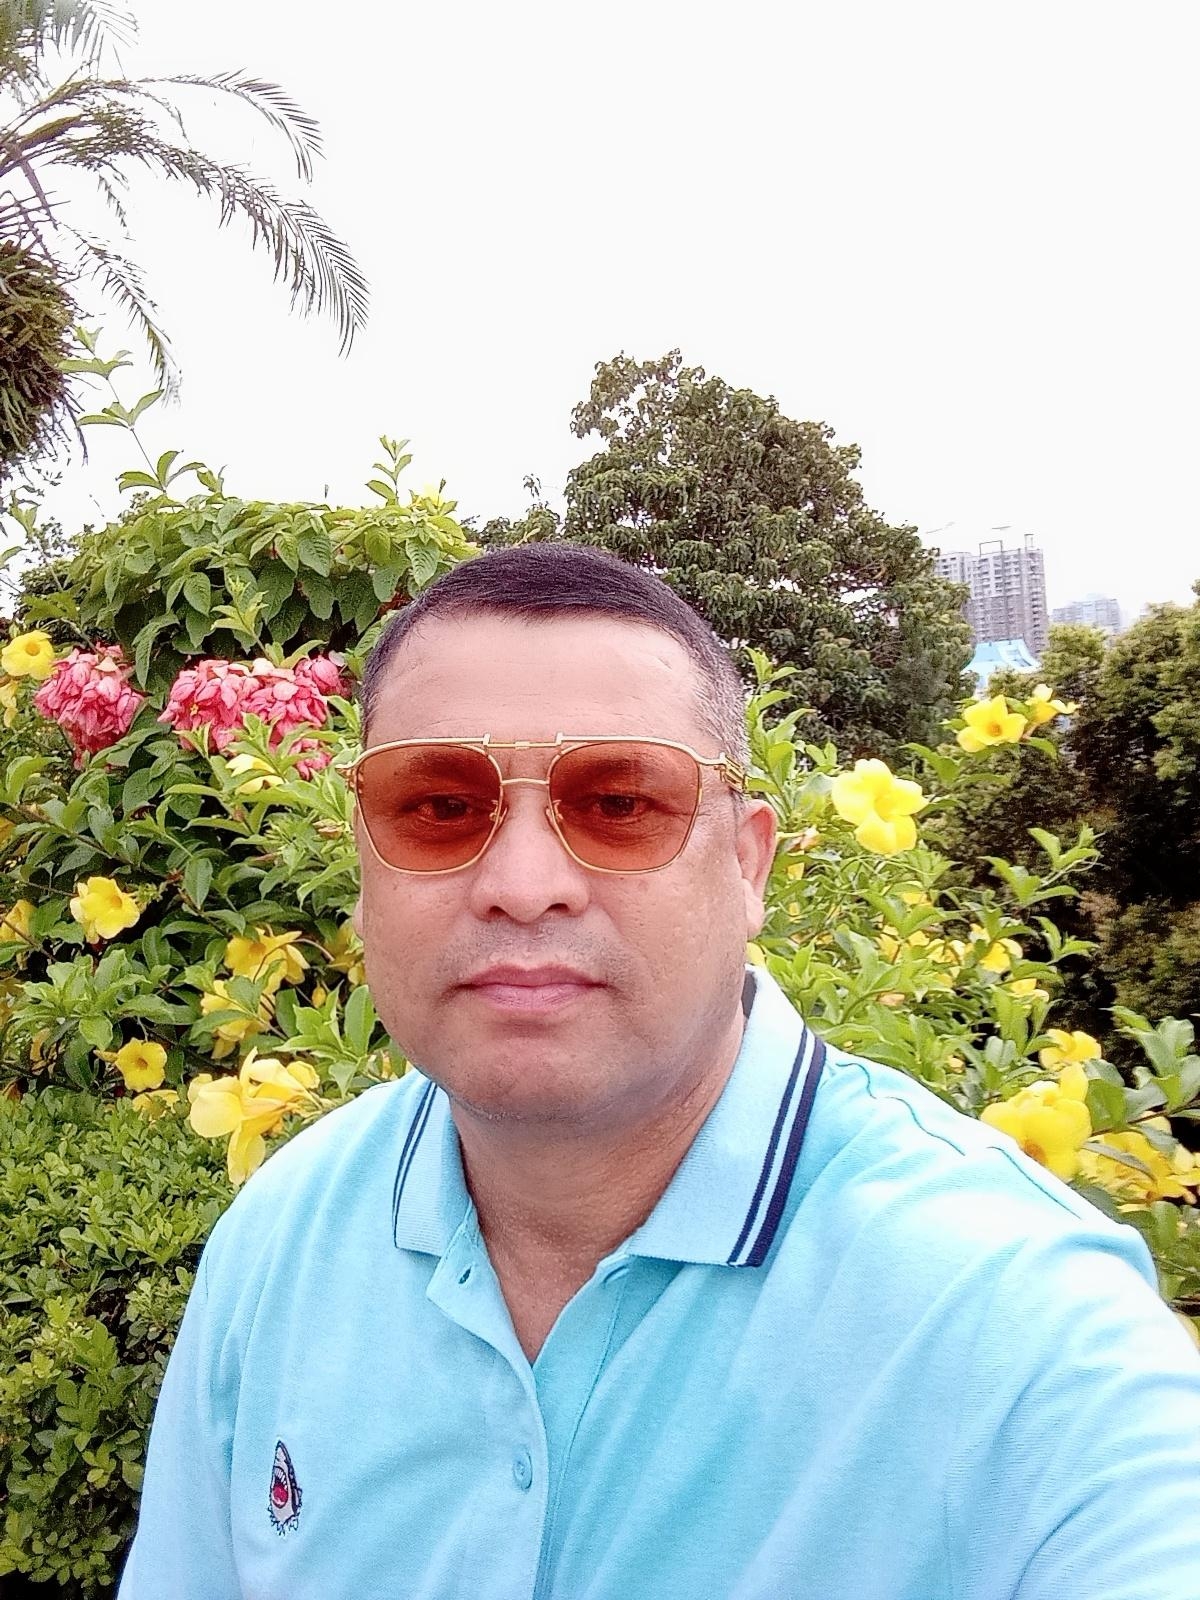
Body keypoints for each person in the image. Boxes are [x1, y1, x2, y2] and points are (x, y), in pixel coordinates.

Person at [119, 544, 1200, 1600]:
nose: (523, 884)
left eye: (621, 803)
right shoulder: (286, 1239)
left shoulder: (1021, 1328)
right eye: (440, 807)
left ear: (748, 864)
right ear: (363, 865)